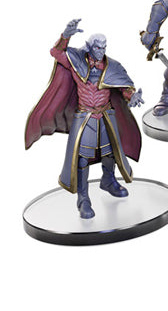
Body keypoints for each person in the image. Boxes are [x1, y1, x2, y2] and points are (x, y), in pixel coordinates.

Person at [25, 19, 144, 219]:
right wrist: (65, 35)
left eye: (104, 47)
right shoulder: (76, 61)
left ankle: (108, 180)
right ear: (89, 47)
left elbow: (123, 86)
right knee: (81, 159)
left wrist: (132, 96)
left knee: (110, 152)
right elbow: (56, 52)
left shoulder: (112, 66)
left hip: (105, 115)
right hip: (85, 116)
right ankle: (83, 198)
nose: (101, 51)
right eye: (98, 47)